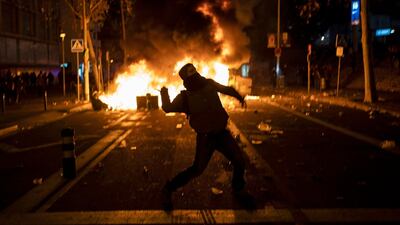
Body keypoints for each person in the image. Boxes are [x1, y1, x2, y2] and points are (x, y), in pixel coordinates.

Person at [160, 63, 247, 210]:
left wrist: (239, 97)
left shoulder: (209, 84)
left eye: (194, 70)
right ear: (185, 77)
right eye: (190, 72)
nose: (194, 73)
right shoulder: (185, 97)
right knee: (197, 169)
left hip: (221, 133)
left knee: (239, 161)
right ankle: (168, 188)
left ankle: (238, 189)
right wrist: (164, 93)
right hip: (206, 137)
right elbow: (167, 108)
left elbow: (227, 89)